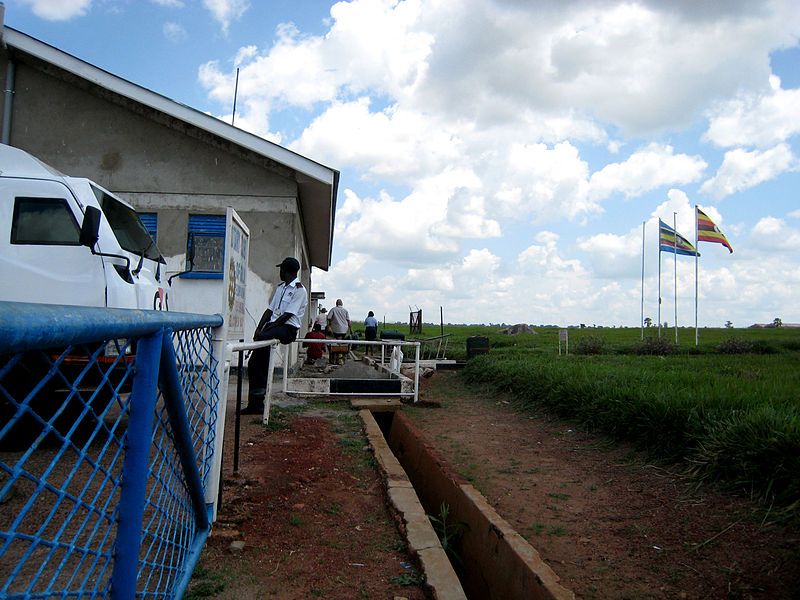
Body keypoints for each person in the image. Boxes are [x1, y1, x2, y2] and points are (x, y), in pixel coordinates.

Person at [242, 257, 308, 415]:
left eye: (281, 269)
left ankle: (258, 404)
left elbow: (287, 315)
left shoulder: (300, 290)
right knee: (254, 364)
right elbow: (270, 311)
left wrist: (266, 330)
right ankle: (255, 403)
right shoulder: (280, 288)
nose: (280, 272)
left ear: (287, 271)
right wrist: (259, 328)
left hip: (288, 329)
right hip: (274, 327)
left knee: (260, 360)